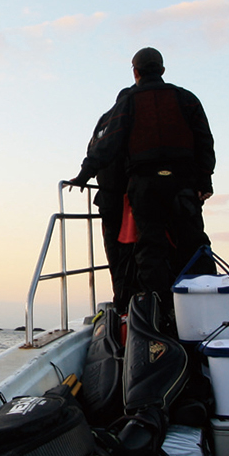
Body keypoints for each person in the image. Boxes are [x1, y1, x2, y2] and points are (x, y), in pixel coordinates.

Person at [72, 47, 216, 318]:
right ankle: (204, 305)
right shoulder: (187, 99)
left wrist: (84, 173)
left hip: (145, 183)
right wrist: (205, 180)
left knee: (151, 245)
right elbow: (204, 140)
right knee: (192, 241)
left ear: (135, 72)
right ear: (162, 70)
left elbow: (109, 143)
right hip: (184, 183)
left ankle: (157, 312)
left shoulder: (127, 103)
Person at [78, 87, 136, 309]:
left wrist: (85, 175)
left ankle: (120, 299)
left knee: (114, 253)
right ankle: (132, 300)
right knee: (133, 253)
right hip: (129, 199)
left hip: (107, 198)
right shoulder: (128, 118)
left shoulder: (103, 121)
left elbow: (93, 152)